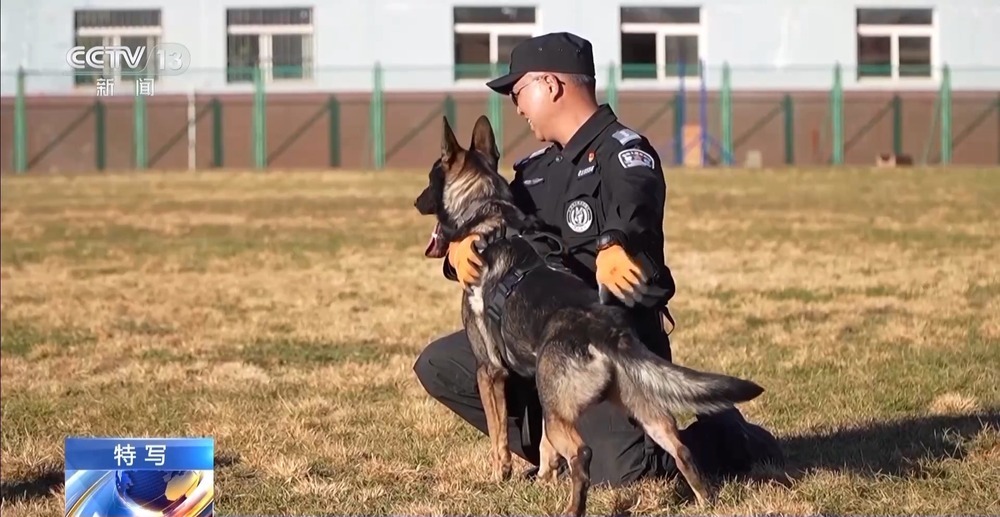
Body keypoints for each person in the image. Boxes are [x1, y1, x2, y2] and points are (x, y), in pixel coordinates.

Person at [413, 31, 783, 487]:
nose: (515, 104)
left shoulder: (624, 152)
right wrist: (459, 250)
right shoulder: (534, 170)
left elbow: (637, 205)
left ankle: (726, 435)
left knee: (632, 476)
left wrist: (613, 243)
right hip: (540, 338)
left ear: (550, 85)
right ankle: (562, 445)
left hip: (607, 343)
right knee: (441, 364)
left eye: (518, 90)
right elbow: (496, 227)